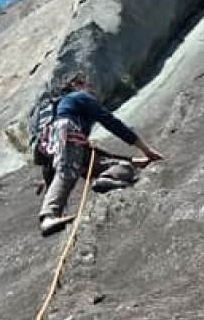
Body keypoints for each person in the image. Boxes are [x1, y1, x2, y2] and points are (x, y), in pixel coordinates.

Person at [38, 75, 163, 234]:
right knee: (67, 171)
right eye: (87, 84)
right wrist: (146, 149)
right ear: (75, 85)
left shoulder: (65, 111)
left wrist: (140, 161)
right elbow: (110, 122)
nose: (92, 89)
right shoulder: (79, 97)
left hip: (63, 144)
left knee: (121, 166)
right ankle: (49, 216)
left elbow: (99, 158)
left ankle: (108, 178)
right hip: (67, 135)